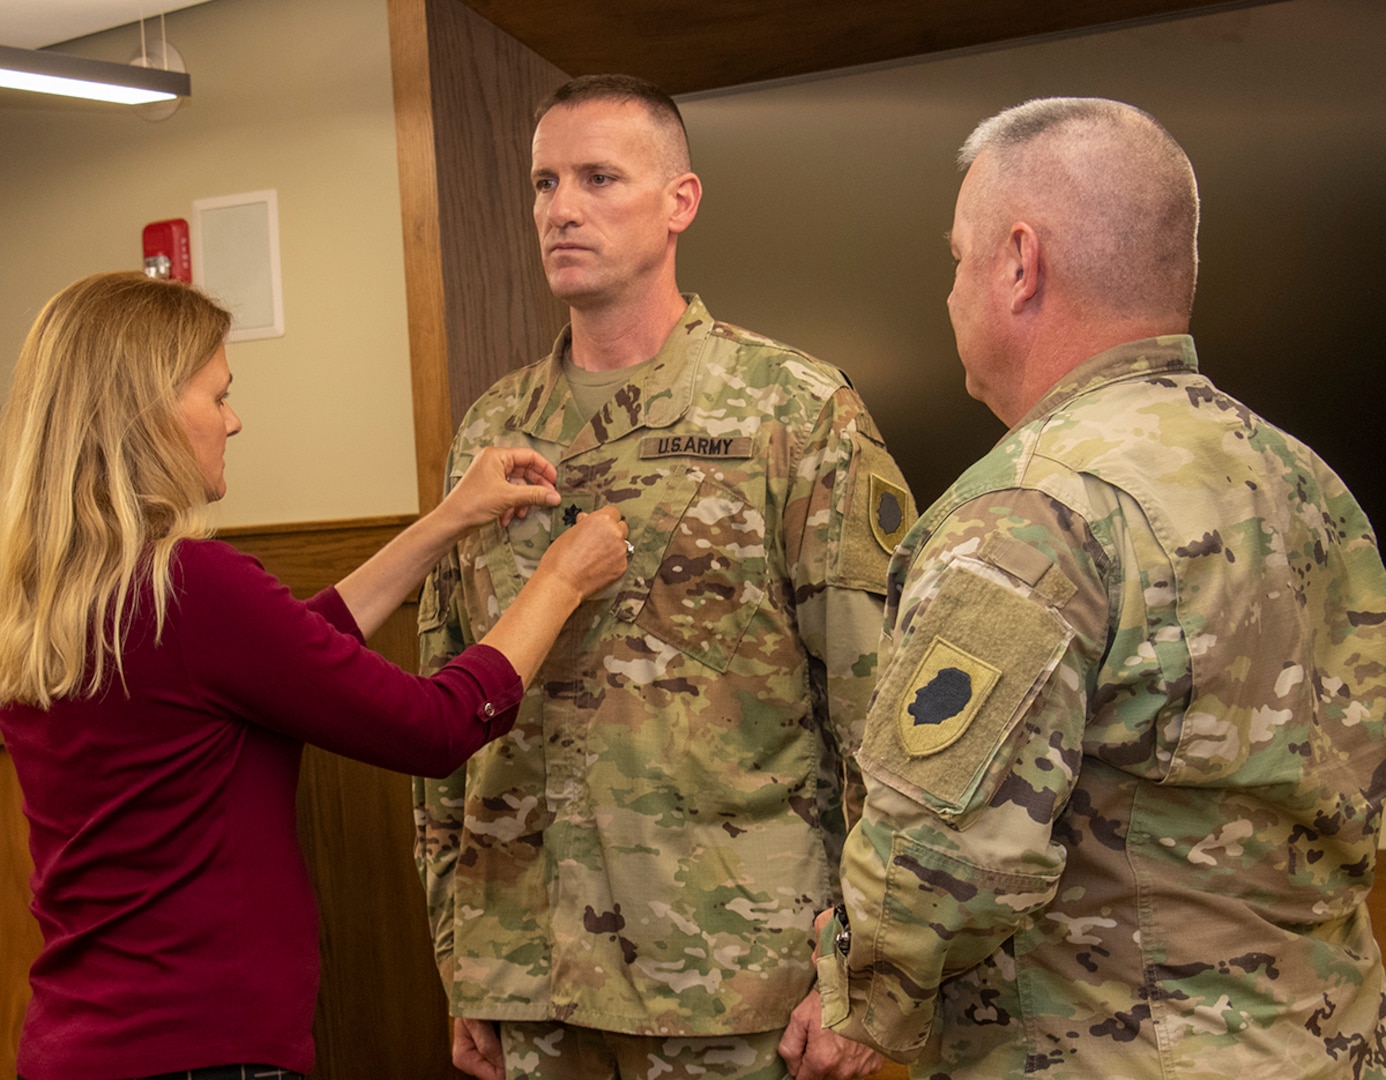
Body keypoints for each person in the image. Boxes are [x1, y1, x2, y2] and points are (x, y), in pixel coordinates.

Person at [814, 97, 1386, 1078]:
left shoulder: (1034, 508)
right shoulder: (1311, 484)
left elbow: (936, 857)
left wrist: (857, 1000)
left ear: (1019, 262)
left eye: (957, 257)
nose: (949, 291)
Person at [0, 271, 630, 1080]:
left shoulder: (50, 603)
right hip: (197, 1056)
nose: (235, 420)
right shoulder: (193, 589)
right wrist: (561, 582)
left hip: (74, 1049)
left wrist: (448, 520)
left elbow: (293, 653)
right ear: (150, 413)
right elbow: (435, 725)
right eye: (218, 395)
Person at [413, 74, 913, 1080]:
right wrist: (458, 945)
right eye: (546, 182)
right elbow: (446, 697)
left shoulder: (794, 409)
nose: (563, 207)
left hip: (731, 969)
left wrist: (867, 966)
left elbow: (880, 710)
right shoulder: (492, 429)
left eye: (600, 177)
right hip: (529, 962)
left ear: (680, 201)